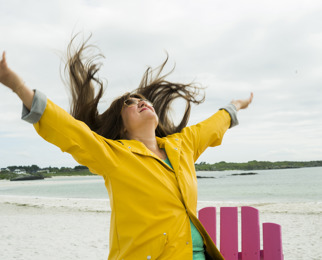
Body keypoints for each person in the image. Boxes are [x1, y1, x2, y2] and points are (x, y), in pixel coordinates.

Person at [0, 37, 253, 260]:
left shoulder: (182, 146)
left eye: (141, 99)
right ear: (121, 128)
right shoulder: (115, 156)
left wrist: (234, 106)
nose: (140, 102)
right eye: (129, 104)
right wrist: (17, 85)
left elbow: (213, 126)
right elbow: (70, 132)